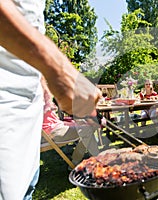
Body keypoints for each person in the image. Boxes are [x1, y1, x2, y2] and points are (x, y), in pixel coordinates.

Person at [0, 1, 101, 199]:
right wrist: (59, 70)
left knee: (25, 191)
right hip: (5, 105)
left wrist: (43, 84)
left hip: (28, 117)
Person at [41, 77, 101, 165]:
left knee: (87, 126)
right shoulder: (38, 98)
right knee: (89, 129)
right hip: (50, 133)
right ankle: (78, 161)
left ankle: (94, 156)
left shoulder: (41, 95)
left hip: (53, 128)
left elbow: (52, 119)